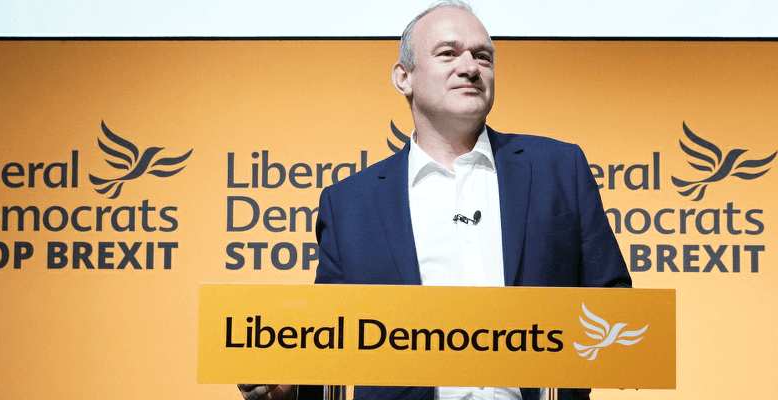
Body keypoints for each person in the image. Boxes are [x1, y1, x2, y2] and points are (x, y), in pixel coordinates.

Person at [240, 1, 629, 399]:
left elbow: (615, 305)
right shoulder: (349, 204)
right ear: (403, 77)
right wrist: (288, 387)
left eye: (483, 56)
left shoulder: (559, 168)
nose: (470, 67)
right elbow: (329, 341)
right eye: (448, 53)